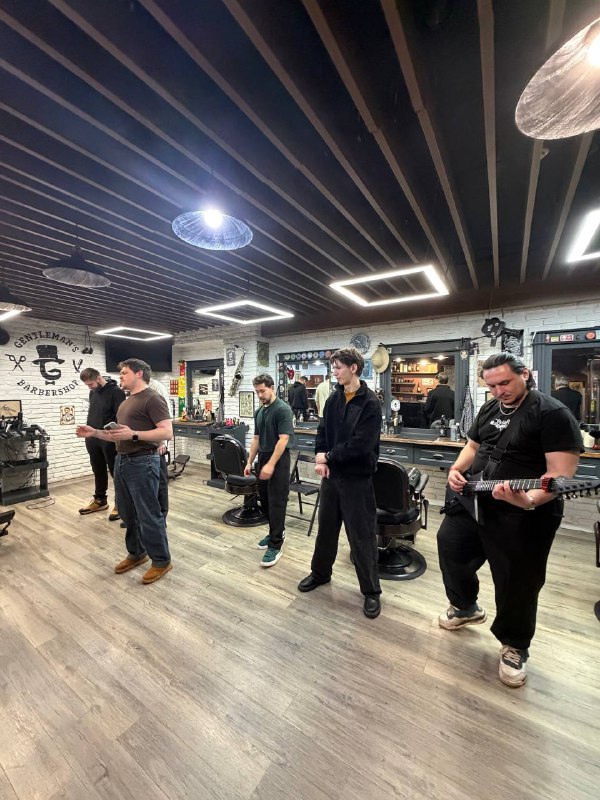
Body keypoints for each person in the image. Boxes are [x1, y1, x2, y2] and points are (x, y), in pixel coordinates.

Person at [437, 352, 582, 687]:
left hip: (524, 512)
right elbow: (472, 447)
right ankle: (465, 607)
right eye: (492, 386)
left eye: (504, 382)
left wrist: (527, 500)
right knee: (450, 546)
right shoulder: (490, 408)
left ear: (525, 374)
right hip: (477, 500)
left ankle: (515, 644)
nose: (499, 391)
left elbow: (559, 475)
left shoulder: (552, 414)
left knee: (517, 579)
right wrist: (457, 470)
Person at [298, 347, 382, 618]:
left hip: (357, 479)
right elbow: (322, 431)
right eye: (333, 367)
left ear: (353, 367)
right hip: (332, 477)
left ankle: (371, 591)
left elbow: (361, 444)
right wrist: (321, 458)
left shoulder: (370, 402)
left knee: (361, 536)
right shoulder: (334, 398)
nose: (334, 372)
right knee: (326, 530)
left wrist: (329, 456)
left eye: (338, 367)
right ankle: (320, 573)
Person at [76, 358, 174, 585]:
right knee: (128, 514)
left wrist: (134, 435)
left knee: (148, 514)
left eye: (124, 373)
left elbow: (166, 432)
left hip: (143, 462)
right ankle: (137, 553)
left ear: (139, 374)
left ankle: (161, 561)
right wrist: (95, 433)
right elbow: (118, 436)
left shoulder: (152, 398)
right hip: (122, 461)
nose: (120, 376)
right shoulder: (126, 402)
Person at [244, 374, 295, 567]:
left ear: (272, 388)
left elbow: (283, 440)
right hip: (264, 458)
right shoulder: (259, 411)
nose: (259, 395)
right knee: (264, 500)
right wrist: (249, 462)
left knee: (277, 502)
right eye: (257, 391)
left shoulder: (283, 409)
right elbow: (256, 439)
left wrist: (271, 464)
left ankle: (275, 544)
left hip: (279, 459)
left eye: (262, 391)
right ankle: (276, 531)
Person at [78, 367, 126, 520]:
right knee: (97, 469)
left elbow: (120, 417)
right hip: (92, 436)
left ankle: (121, 504)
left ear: (98, 378)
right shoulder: (93, 392)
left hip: (108, 437)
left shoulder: (116, 392)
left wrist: (115, 436)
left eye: (90, 384)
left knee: (115, 472)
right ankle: (100, 500)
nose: (89, 387)